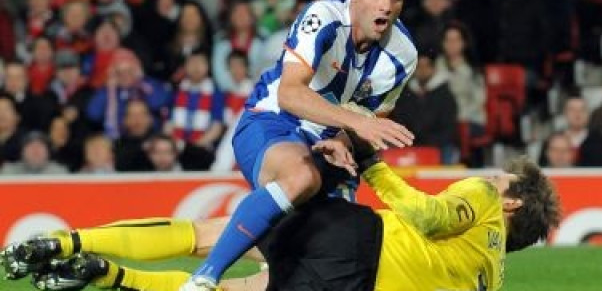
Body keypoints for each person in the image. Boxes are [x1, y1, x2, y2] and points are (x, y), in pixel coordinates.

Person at [172, 0, 417, 290]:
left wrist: (345, 140)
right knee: (301, 178)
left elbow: (371, 123)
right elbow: (290, 93)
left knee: (339, 249)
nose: (386, 5)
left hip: (328, 148)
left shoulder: (403, 55)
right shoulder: (324, 16)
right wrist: (354, 123)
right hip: (272, 121)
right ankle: (203, 279)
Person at [4, 152, 560, 291]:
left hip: (358, 234)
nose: (491, 179)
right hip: (353, 284)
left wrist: (373, 165)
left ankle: (65, 239)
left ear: (512, 205)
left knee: (208, 238)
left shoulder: (483, 200)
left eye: (501, 180)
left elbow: (430, 215)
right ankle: (107, 277)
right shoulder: (490, 276)